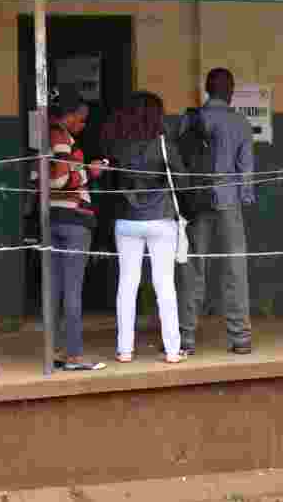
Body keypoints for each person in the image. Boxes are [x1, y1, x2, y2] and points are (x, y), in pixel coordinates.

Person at [102, 91, 187, 364]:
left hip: (126, 220)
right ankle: (173, 350)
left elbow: (111, 180)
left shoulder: (118, 146)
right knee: (165, 285)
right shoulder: (164, 145)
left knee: (127, 284)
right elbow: (184, 181)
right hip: (161, 219)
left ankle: (124, 350)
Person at [177, 68, 255, 355]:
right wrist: (244, 197)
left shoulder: (190, 118)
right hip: (228, 200)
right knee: (235, 268)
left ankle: (185, 337)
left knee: (193, 267)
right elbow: (245, 169)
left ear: (207, 89)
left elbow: (179, 160)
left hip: (196, 202)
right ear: (231, 91)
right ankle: (240, 337)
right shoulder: (240, 122)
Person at [47, 85, 106, 371]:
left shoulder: (44, 135)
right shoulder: (60, 138)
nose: (82, 126)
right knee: (72, 290)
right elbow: (58, 180)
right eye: (81, 119)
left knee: (58, 289)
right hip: (74, 219)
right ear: (68, 116)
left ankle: (57, 349)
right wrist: (86, 173)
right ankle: (73, 355)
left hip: (55, 218)